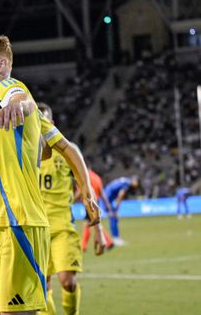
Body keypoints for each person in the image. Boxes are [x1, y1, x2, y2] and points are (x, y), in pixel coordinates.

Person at [0, 34, 100, 315]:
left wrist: (18, 104)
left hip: (17, 222)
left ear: (2, 66)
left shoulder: (7, 88)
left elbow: (21, 98)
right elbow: (60, 146)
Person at [38, 103, 106, 315]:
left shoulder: (65, 151)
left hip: (62, 227)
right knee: (42, 289)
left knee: (67, 281)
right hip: (36, 229)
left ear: (52, 123)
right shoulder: (23, 152)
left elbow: (87, 192)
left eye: (45, 120)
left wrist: (99, 231)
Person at [81, 166, 114, 252]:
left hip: (89, 202)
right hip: (96, 202)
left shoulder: (85, 175)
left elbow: (82, 189)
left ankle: (84, 246)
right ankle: (108, 241)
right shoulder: (97, 177)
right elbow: (102, 193)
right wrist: (107, 205)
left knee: (88, 223)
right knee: (94, 223)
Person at [103, 176, 140, 246]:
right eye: (137, 183)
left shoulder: (126, 181)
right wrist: (117, 208)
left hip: (107, 197)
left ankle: (115, 237)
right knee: (113, 217)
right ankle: (115, 239)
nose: (136, 186)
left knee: (114, 218)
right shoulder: (127, 184)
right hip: (106, 199)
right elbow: (120, 195)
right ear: (134, 181)